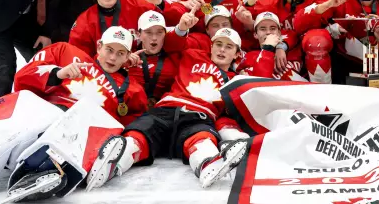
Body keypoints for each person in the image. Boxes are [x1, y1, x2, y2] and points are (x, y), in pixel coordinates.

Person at [85, 28, 255, 191]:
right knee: (140, 133)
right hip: (165, 108)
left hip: (198, 116)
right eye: (218, 44)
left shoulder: (236, 82)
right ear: (211, 46)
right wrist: (127, 60)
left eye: (229, 46)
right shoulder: (192, 54)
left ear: (237, 54)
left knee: (201, 137)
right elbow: (170, 42)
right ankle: (114, 163)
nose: (222, 50)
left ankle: (207, 163)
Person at [13, 26, 148, 125]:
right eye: (109, 50)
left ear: (127, 56)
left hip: (85, 138)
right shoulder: (64, 51)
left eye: (120, 53)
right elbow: (21, 78)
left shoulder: (133, 90)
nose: (113, 58)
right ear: (99, 46)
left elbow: (132, 129)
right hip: (44, 117)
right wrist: (57, 73)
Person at [68, 0, 169, 57]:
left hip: (145, 66)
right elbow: (78, 60)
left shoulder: (139, 3)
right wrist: (115, 59)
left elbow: (173, 22)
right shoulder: (84, 23)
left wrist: (160, 4)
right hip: (106, 69)